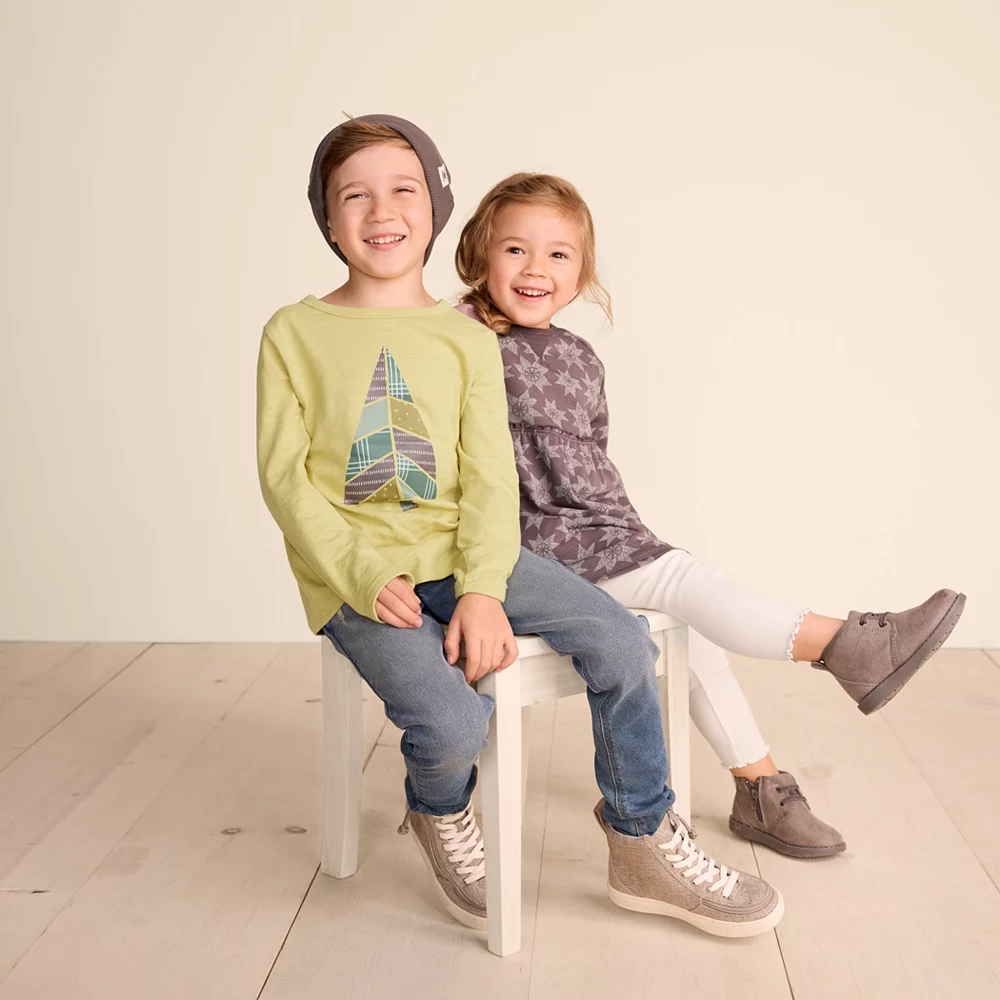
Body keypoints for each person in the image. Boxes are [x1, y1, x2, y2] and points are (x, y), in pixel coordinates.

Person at [256, 115, 785, 938]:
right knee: (454, 722)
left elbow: (490, 481)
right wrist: (361, 574)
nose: (381, 211)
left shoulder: (466, 338)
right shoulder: (293, 332)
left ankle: (641, 838)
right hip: (355, 577)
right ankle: (438, 807)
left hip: (465, 558)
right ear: (328, 220)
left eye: (402, 190)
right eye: (354, 196)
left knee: (623, 644)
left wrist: (481, 589)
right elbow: (285, 480)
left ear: (435, 208)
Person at [454, 171, 966, 859]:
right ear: (480, 254)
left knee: (693, 625)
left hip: (601, 535)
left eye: (558, 254)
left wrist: (623, 531)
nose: (535, 269)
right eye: (515, 249)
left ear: (581, 273)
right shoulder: (460, 337)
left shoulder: (579, 358)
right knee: (683, 582)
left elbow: (590, 459)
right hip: (530, 547)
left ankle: (758, 786)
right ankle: (844, 645)